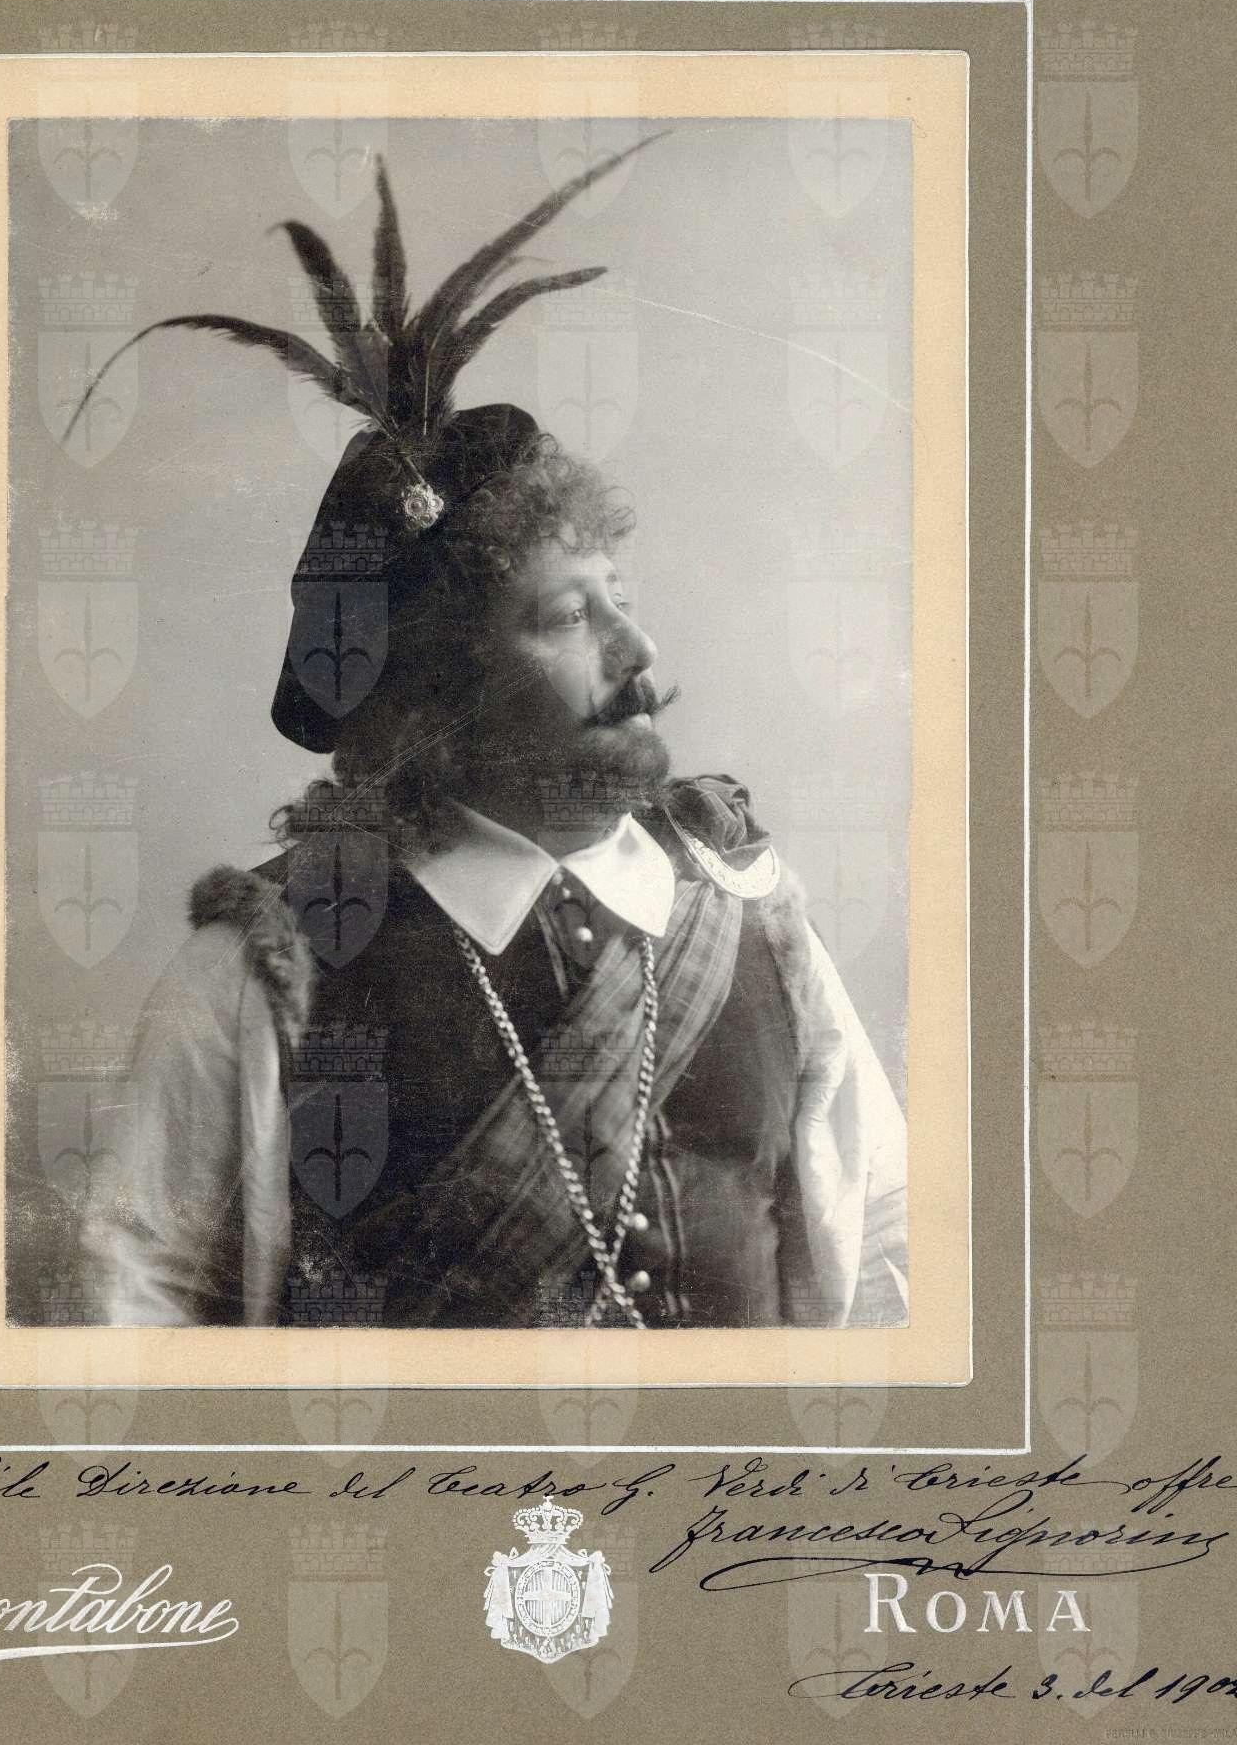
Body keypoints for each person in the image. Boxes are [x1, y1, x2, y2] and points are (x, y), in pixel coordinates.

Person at [80, 140, 907, 1331]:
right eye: (568, 616)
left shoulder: (753, 915)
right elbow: (139, 1292)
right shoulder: (269, 959)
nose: (636, 649)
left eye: (621, 596)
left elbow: (882, 1240)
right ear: (439, 688)